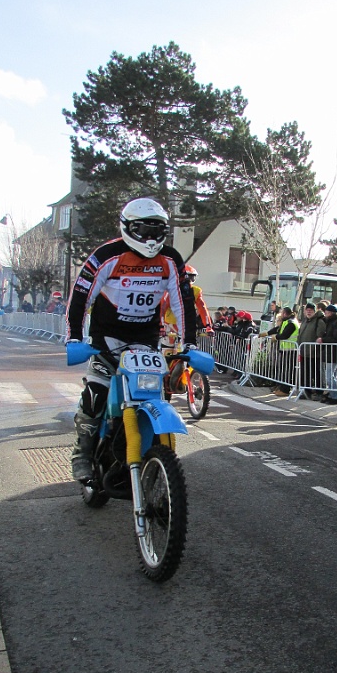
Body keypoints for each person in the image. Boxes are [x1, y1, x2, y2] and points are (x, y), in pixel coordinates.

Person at [65, 197, 197, 481]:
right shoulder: (106, 256)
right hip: (106, 338)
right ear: (127, 227)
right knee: (97, 393)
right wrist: (74, 338)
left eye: (156, 230)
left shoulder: (171, 259)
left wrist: (191, 343)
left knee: (152, 393)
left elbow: (183, 302)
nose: (150, 238)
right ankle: (83, 453)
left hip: (146, 339)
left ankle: (146, 455)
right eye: (143, 230)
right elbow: (79, 297)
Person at [260, 306, 299, 395]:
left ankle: (285, 390)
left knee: (287, 370)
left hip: (291, 350)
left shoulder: (291, 323)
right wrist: (267, 333)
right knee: (283, 369)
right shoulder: (286, 322)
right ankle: (281, 387)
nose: (281, 315)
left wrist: (276, 337)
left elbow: (284, 335)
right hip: (285, 349)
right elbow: (278, 329)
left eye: (282, 313)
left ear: (285, 313)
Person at [317, 303, 337, 405]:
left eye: (327, 313)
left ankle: (335, 396)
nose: (325, 315)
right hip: (331, 352)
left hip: (333, 352)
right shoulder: (332, 322)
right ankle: (332, 394)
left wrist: (323, 339)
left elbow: (336, 338)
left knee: (330, 376)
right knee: (331, 375)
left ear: (331, 313)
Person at [297, 302, 326, 399]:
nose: (309, 312)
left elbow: (320, 336)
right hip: (304, 352)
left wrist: (315, 348)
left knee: (317, 373)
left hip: (315, 353)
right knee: (305, 373)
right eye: (307, 310)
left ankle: (319, 392)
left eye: (311, 310)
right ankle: (306, 391)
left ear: (315, 311)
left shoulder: (319, 321)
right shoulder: (305, 321)